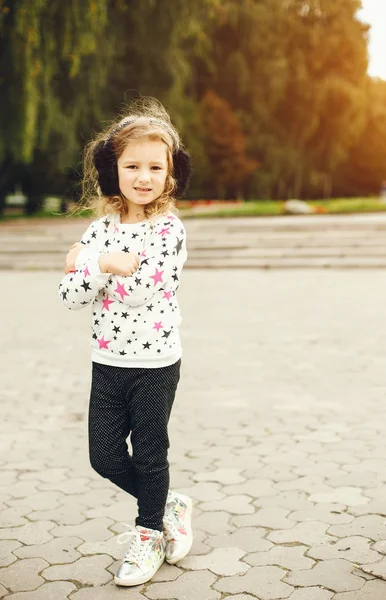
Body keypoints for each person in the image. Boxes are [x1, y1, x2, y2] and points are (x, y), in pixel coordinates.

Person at [58, 98, 193, 587]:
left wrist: (96, 263)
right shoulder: (100, 229)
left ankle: (148, 531)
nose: (143, 176)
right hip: (108, 360)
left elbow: (139, 291)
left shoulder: (168, 231)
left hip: (157, 363)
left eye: (155, 167)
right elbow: (70, 294)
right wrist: (104, 264)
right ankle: (166, 502)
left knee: (151, 454)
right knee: (105, 456)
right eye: (132, 165)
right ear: (112, 171)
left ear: (171, 173)